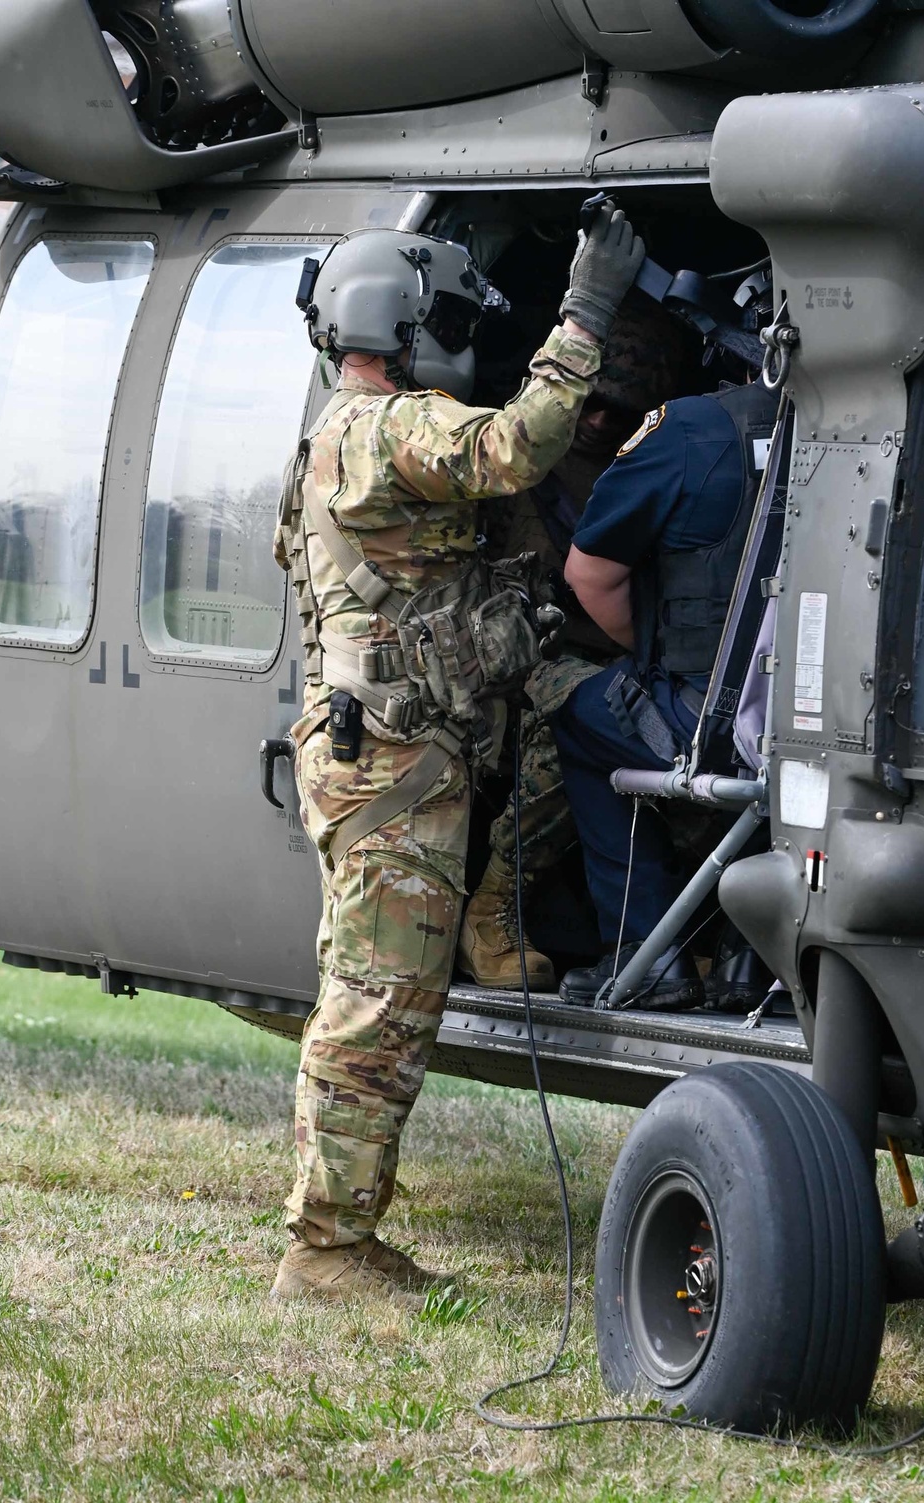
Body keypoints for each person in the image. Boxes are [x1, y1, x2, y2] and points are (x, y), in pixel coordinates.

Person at [270, 204, 645, 1300]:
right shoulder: (389, 426)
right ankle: (325, 1253)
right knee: (375, 1004)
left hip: (395, 753)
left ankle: (343, 1235)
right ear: (405, 321)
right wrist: (585, 311)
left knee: (382, 995)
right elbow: (518, 444)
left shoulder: (337, 432)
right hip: (395, 765)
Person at [551, 287, 780, 1010]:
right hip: (828, 725)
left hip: (712, 722)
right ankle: (750, 959)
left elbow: (590, 574)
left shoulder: (687, 431)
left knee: (584, 719)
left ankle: (648, 951)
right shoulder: (876, 428)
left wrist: (651, 660)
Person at [457, 293, 692, 990]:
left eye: (615, 412)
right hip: (517, 659)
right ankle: (493, 904)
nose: (592, 422)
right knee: (579, 716)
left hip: (618, 656)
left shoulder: (649, 469)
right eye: (586, 402)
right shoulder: (516, 455)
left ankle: (672, 928)